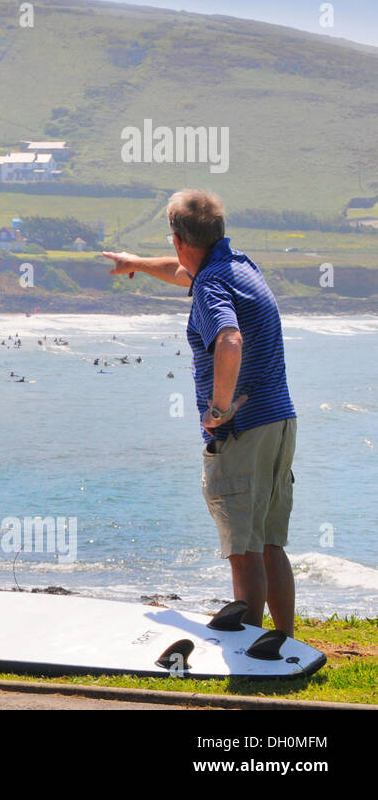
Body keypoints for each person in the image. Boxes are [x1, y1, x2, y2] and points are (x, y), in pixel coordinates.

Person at [103, 189, 297, 634]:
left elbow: (229, 339)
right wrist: (136, 262)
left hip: (242, 429)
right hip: (280, 420)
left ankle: (247, 652)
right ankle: (283, 643)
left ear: (177, 238)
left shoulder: (211, 285)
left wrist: (218, 407)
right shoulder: (238, 265)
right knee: (269, 543)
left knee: (243, 549)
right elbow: (184, 271)